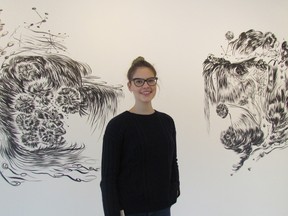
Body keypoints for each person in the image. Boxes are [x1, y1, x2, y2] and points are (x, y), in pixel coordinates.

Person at [100, 56, 180, 216]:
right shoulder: (118, 126)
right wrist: (113, 212)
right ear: (130, 85)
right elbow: (108, 177)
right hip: (130, 210)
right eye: (139, 81)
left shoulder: (167, 122)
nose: (146, 86)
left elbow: (172, 162)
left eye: (150, 80)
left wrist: (173, 193)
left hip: (162, 207)